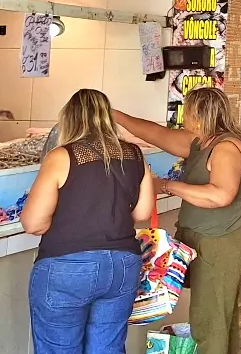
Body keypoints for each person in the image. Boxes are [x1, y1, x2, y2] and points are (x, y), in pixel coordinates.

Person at [115, 88, 241, 354]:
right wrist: (114, 115)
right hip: (201, 233)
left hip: (222, 237)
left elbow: (220, 195)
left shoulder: (225, 148)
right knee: (218, 309)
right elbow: (155, 134)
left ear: (199, 116)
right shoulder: (200, 142)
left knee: (209, 315)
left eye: (188, 110)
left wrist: (167, 185)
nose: (184, 116)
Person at [22, 89, 155, 354]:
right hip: (122, 266)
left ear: (69, 119)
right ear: (107, 117)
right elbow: (142, 213)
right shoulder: (135, 155)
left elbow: (34, 223)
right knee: (107, 348)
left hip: (67, 267)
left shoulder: (62, 156)